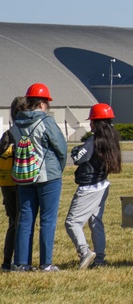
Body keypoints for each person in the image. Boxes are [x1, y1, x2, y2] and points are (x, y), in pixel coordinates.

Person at [11, 83, 67, 271]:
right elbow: (60, 147)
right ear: (43, 103)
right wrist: (58, 168)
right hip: (48, 176)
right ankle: (46, 264)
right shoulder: (46, 121)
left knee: (25, 220)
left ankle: (21, 263)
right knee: (47, 220)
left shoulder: (17, 123)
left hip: (24, 177)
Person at [65, 102, 122, 269]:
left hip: (88, 187)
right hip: (103, 184)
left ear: (96, 122)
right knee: (96, 221)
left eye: (91, 121)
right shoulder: (111, 140)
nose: (90, 124)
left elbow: (78, 158)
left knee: (72, 223)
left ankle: (84, 252)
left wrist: (76, 149)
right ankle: (100, 258)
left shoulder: (92, 141)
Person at [1, 97, 28, 272]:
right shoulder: (23, 133)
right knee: (23, 221)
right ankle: (21, 259)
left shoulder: (7, 134)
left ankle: (6, 261)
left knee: (13, 222)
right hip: (20, 181)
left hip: (6, 183)